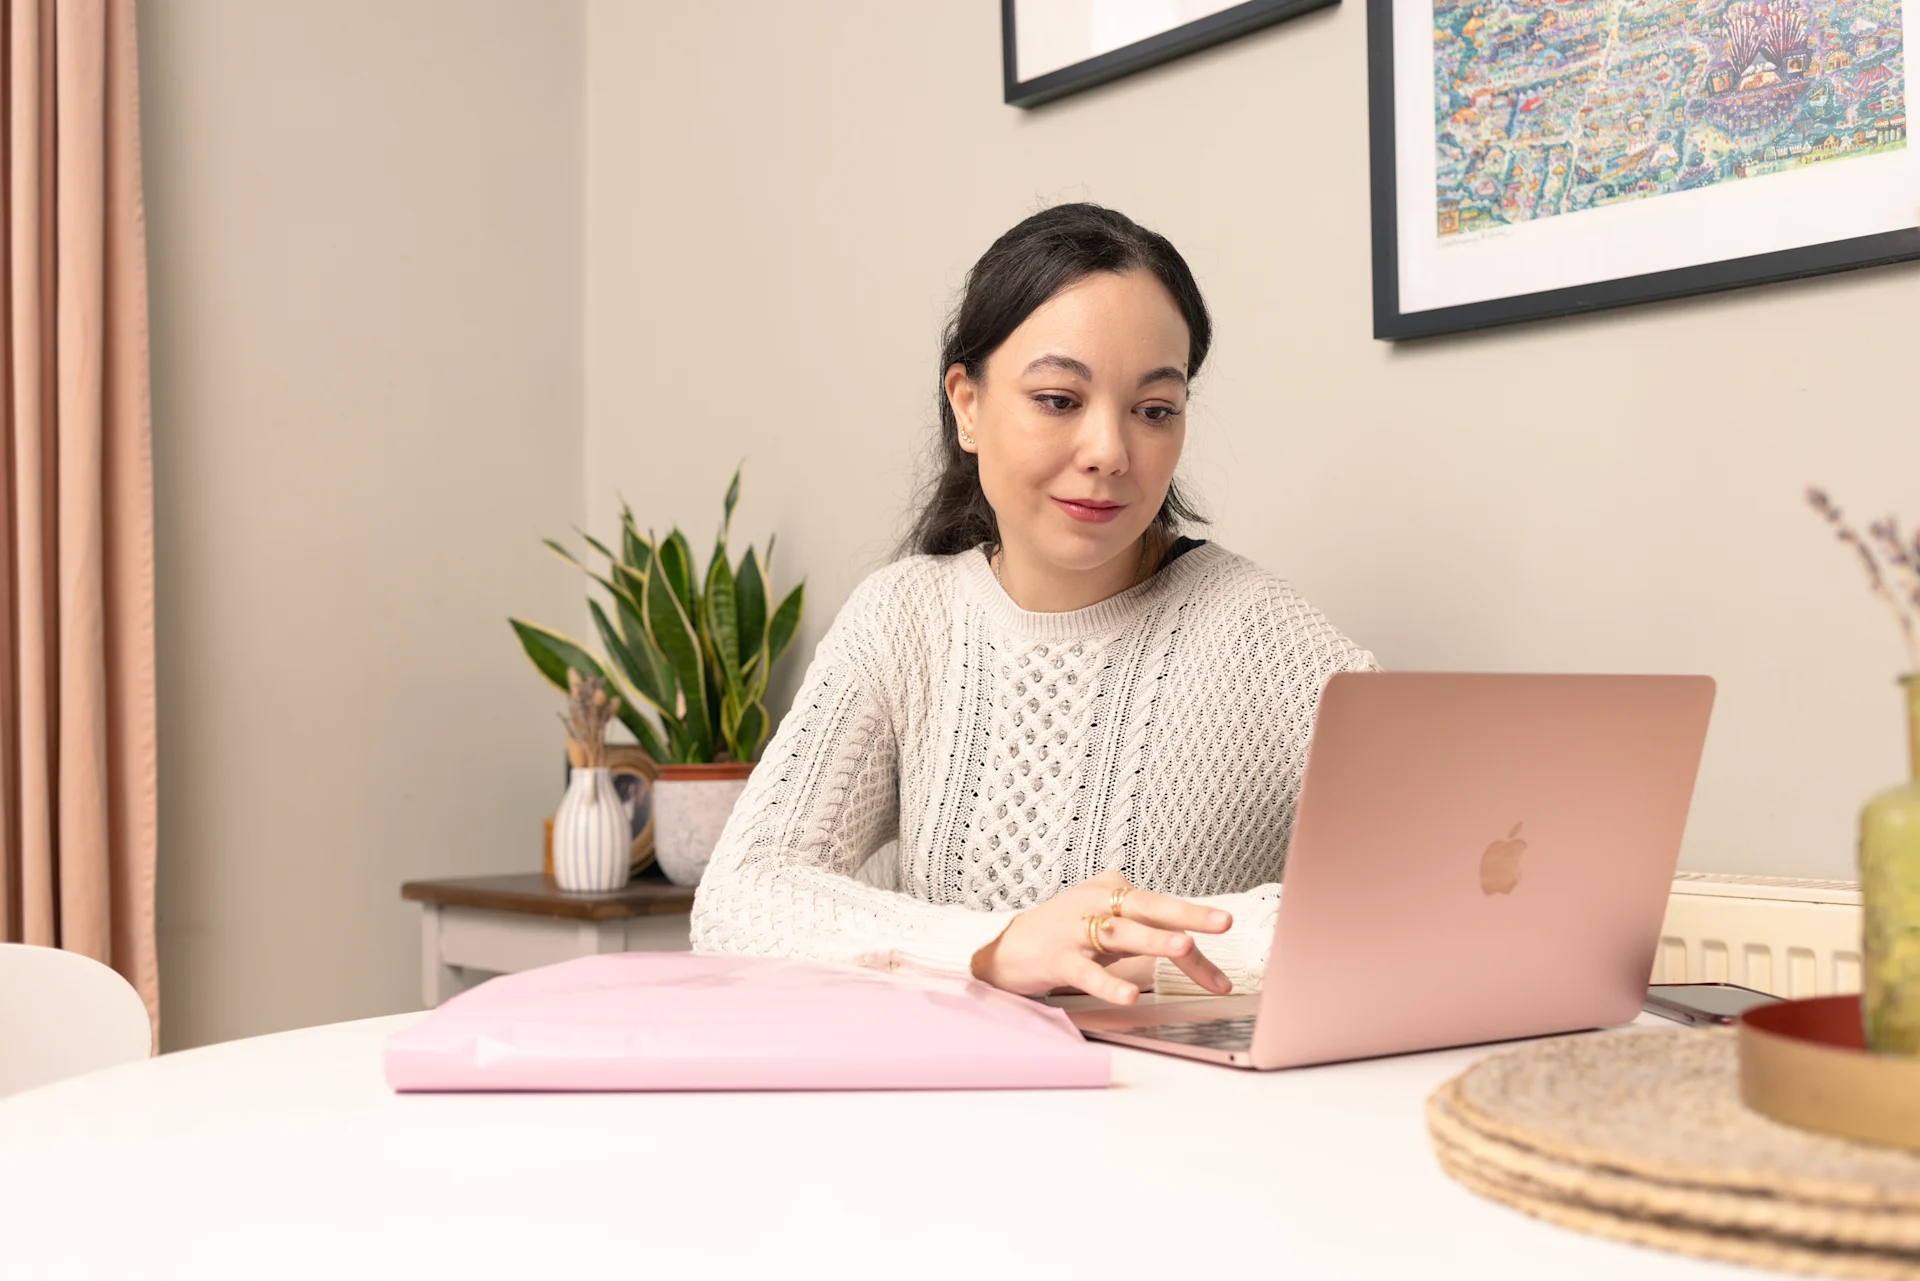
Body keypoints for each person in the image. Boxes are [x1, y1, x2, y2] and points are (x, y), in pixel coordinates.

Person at [690, 203, 1375, 1005]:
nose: (1110, 453)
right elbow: (739, 895)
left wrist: (1135, 949)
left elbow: (1429, 884)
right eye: (1058, 398)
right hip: (942, 1104)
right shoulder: (906, 618)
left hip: (1175, 1117)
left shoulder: (1259, 632)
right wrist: (995, 948)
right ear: (968, 404)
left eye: (1155, 410)